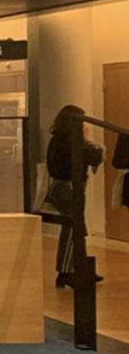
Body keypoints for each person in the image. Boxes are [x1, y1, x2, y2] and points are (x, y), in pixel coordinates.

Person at [45, 105, 104, 288]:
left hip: (61, 187)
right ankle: (67, 271)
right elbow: (94, 157)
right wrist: (88, 140)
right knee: (74, 228)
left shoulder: (57, 139)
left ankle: (80, 268)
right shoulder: (71, 142)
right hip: (68, 188)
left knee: (76, 228)